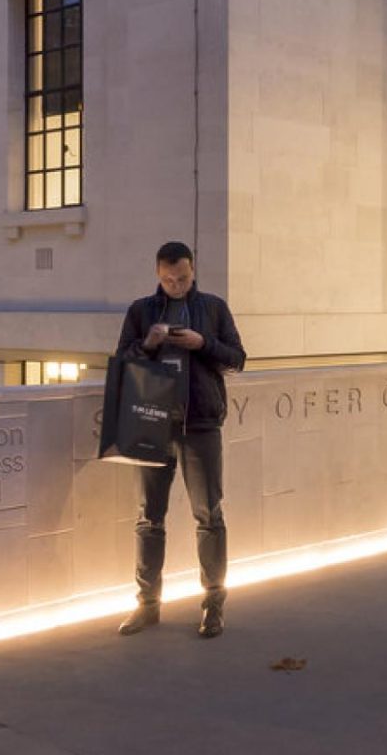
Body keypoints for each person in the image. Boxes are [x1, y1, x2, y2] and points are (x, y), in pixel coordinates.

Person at [113, 240, 245, 639]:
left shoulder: (213, 308)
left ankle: (213, 605)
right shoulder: (141, 311)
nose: (176, 285)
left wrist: (202, 344)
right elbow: (122, 363)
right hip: (151, 422)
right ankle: (147, 605)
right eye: (169, 279)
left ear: (193, 272)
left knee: (209, 516)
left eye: (183, 278)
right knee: (148, 518)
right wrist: (150, 343)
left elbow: (237, 358)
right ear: (158, 274)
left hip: (201, 425)